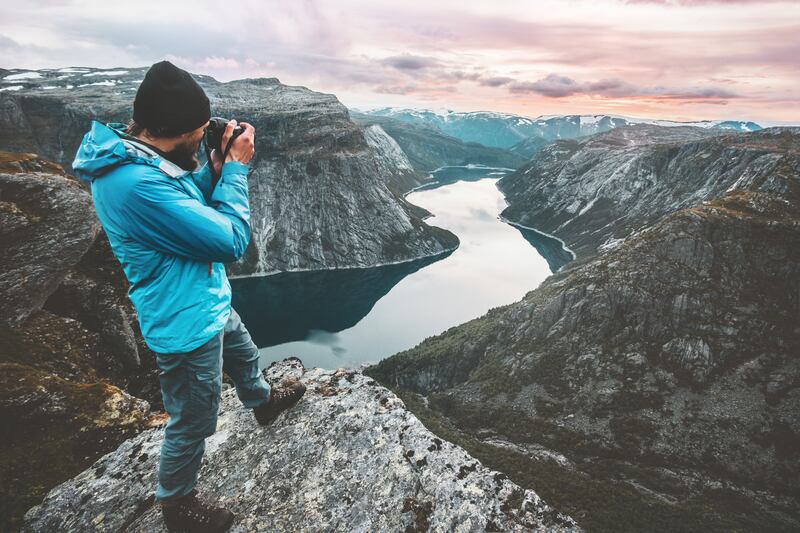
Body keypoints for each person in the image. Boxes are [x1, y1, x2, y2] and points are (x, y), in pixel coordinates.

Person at [71, 60, 306, 533]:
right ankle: (177, 505)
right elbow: (229, 242)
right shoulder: (134, 183)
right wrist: (236, 170)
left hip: (204, 299)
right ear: (175, 130)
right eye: (200, 131)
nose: (205, 137)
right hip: (183, 319)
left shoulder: (142, 159)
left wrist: (213, 169)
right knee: (193, 418)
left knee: (244, 354)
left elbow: (183, 206)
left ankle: (261, 402)